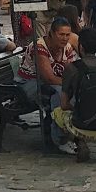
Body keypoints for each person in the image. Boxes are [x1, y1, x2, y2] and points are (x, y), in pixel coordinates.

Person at [52, 29, 96, 163]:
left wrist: (79, 108)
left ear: (81, 47)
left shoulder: (72, 69)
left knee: (57, 113)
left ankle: (80, 143)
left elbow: (64, 104)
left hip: (82, 126)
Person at [17, 16, 80, 154]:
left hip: (49, 84)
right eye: (61, 34)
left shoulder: (67, 48)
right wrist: (69, 85)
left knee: (73, 92)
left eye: (67, 35)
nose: (64, 38)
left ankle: (73, 130)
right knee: (59, 94)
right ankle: (60, 138)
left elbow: (70, 73)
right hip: (30, 84)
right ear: (51, 33)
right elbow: (49, 78)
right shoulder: (39, 47)